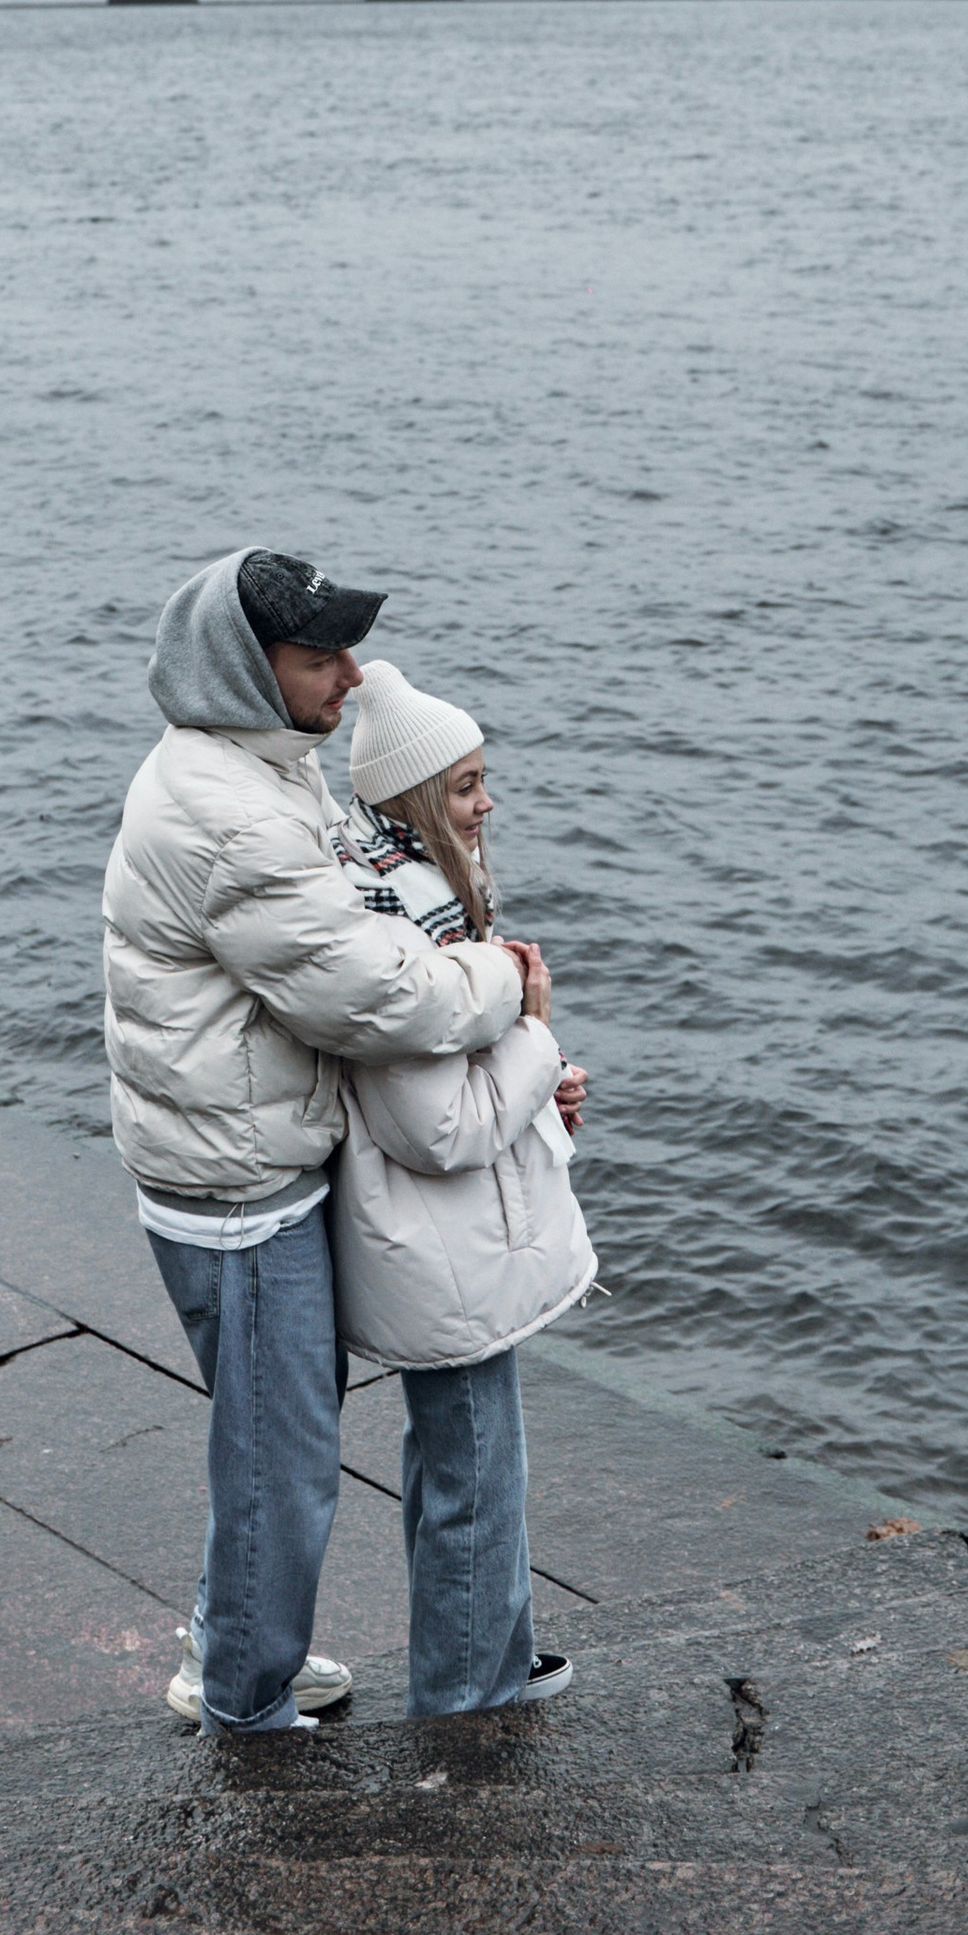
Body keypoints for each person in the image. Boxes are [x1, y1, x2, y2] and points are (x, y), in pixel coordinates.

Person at [103, 548, 526, 1735]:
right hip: (238, 1193)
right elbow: (380, 997)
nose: (350, 675)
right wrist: (503, 980)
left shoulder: (249, 767)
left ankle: (235, 1647)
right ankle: (242, 1699)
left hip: (230, 1157)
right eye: (317, 656)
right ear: (247, 668)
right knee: (278, 1468)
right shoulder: (233, 813)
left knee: (269, 1448)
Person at [331, 656, 597, 1716]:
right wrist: (534, 1035)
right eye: (463, 785)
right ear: (410, 800)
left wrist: (537, 1081)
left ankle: (492, 1644)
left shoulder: (411, 897)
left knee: (466, 1461)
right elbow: (438, 1127)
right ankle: (464, 1690)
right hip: (444, 1246)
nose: (486, 802)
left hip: (447, 1242)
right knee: (474, 1473)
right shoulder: (406, 930)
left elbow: (466, 1089)